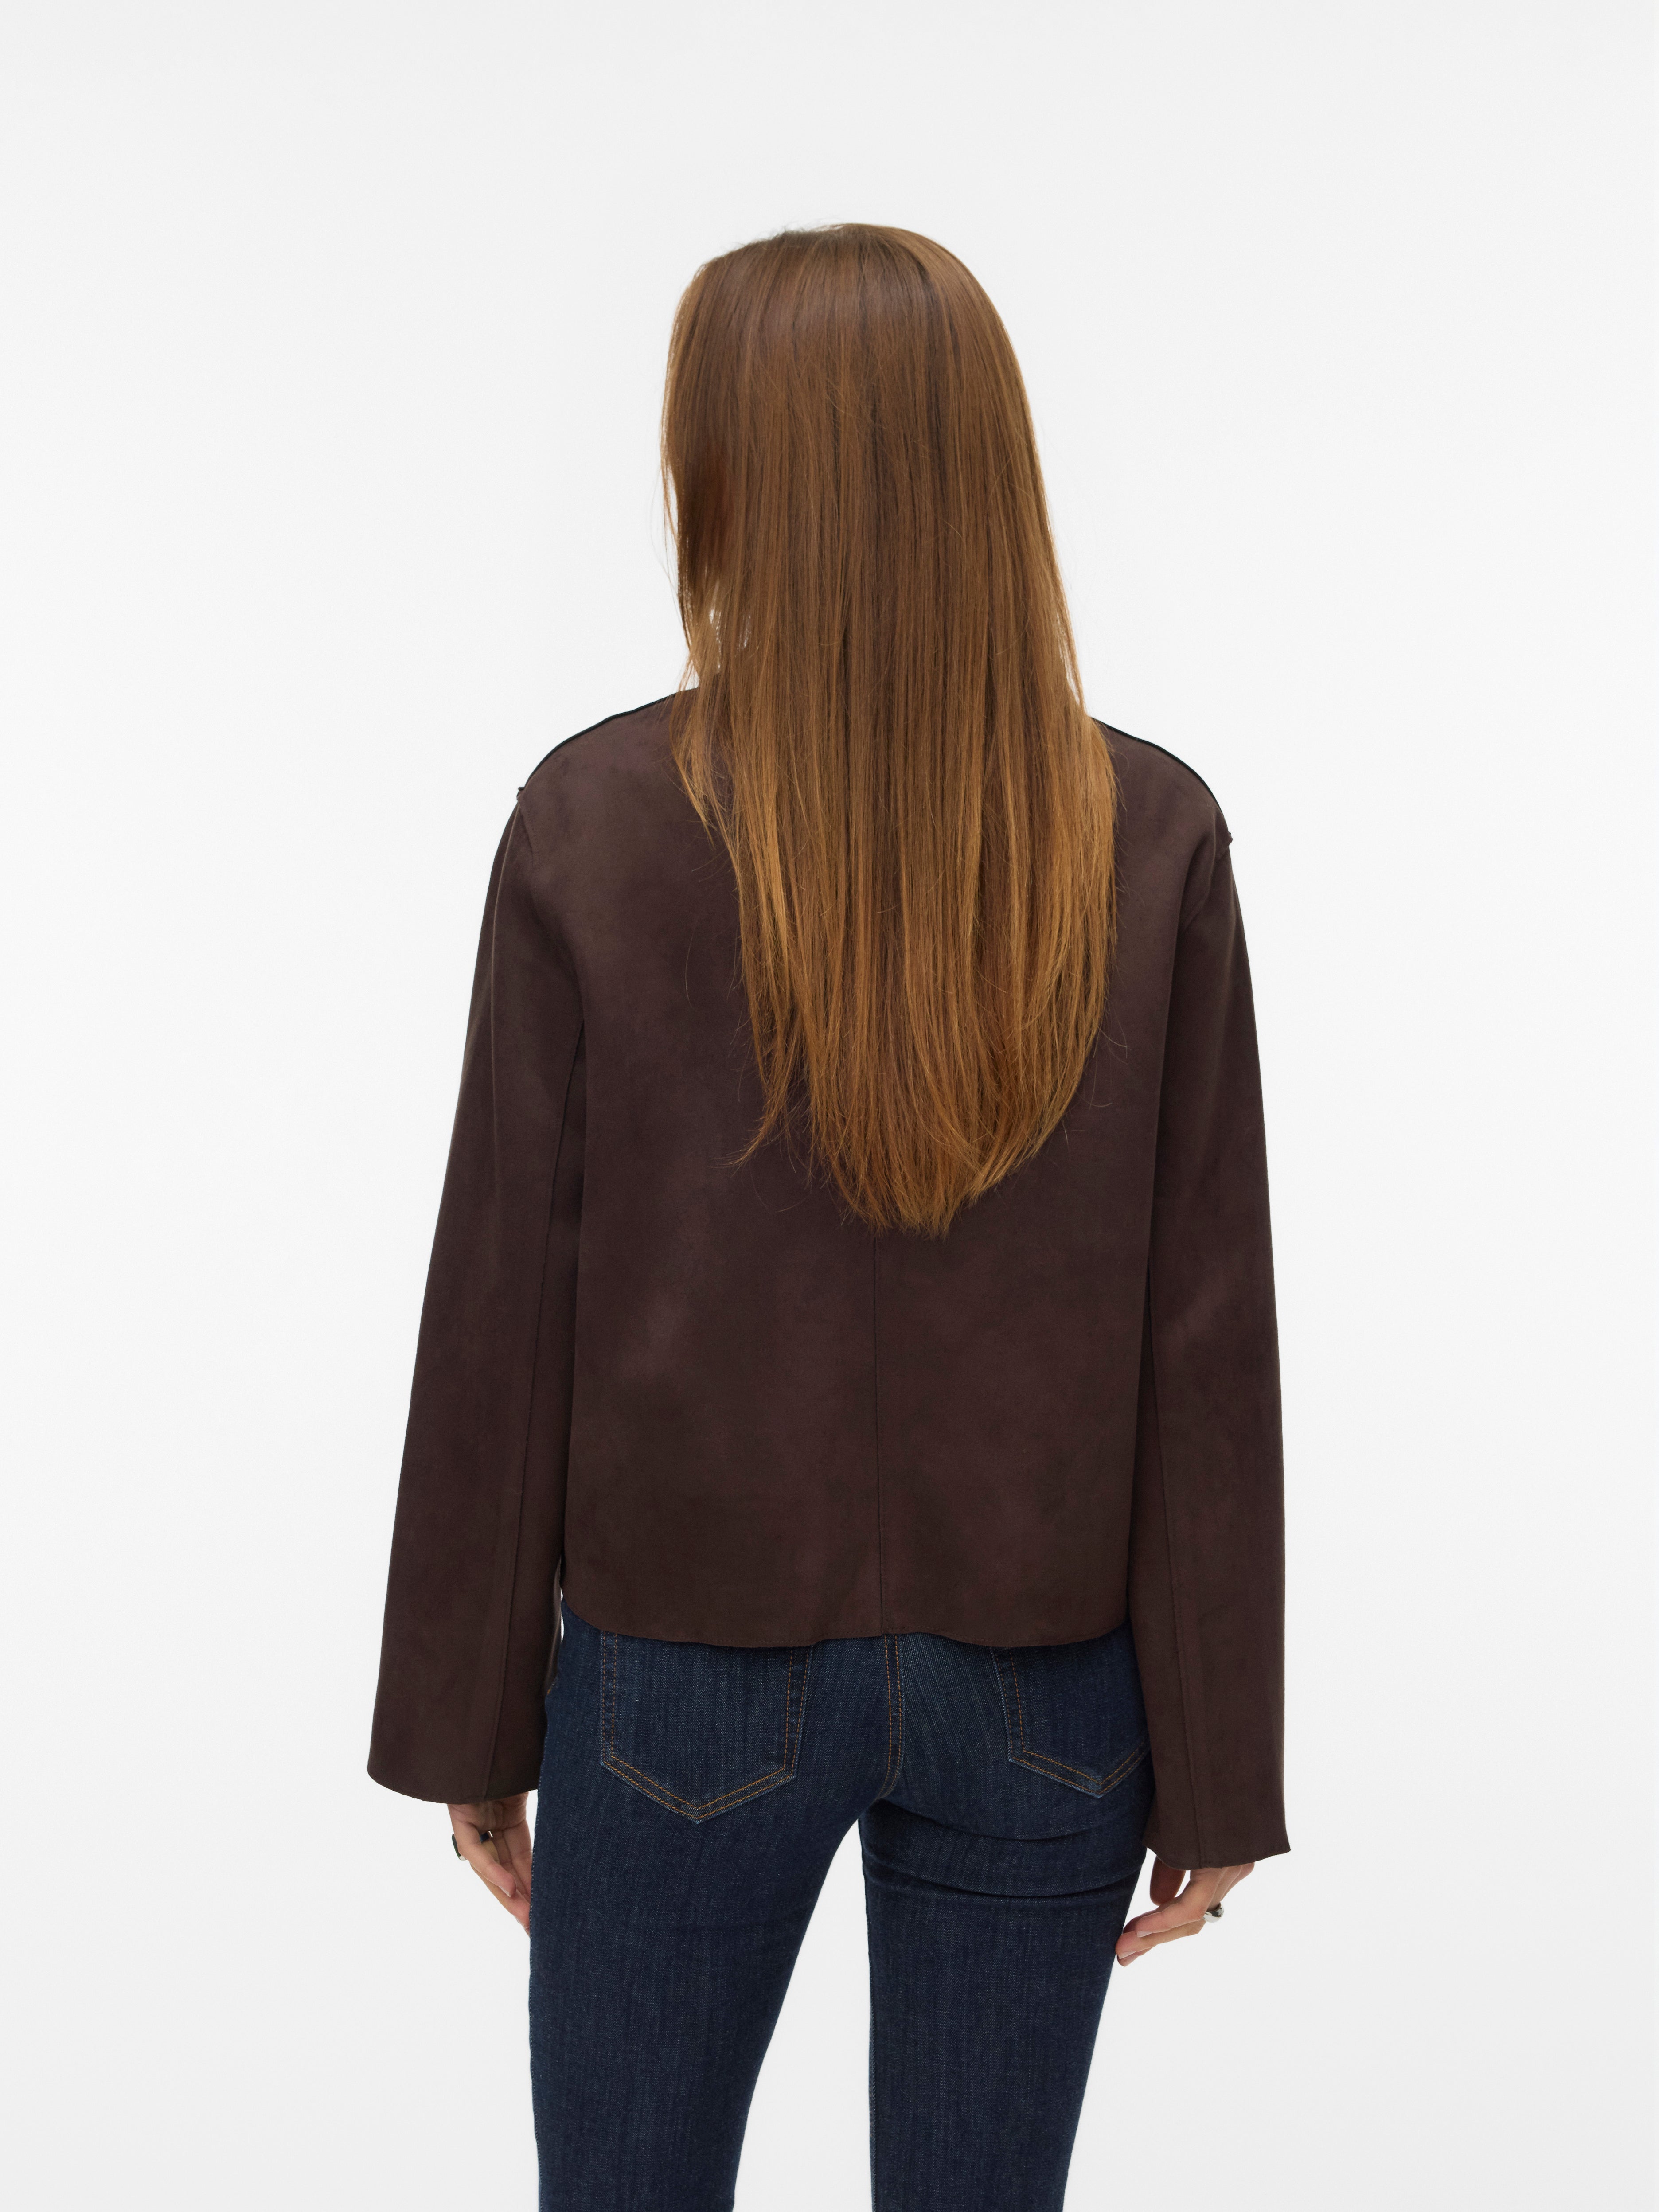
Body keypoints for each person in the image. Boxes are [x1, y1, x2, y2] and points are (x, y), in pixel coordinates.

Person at [369, 222, 1287, 2212]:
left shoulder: (595, 821)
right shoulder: (1147, 833)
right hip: (1050, 1683)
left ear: (729, 472)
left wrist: (465, 1719)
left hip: (679, 1676)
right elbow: (1204, 1338)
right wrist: (1222, 1762)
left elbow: (508, 1303)